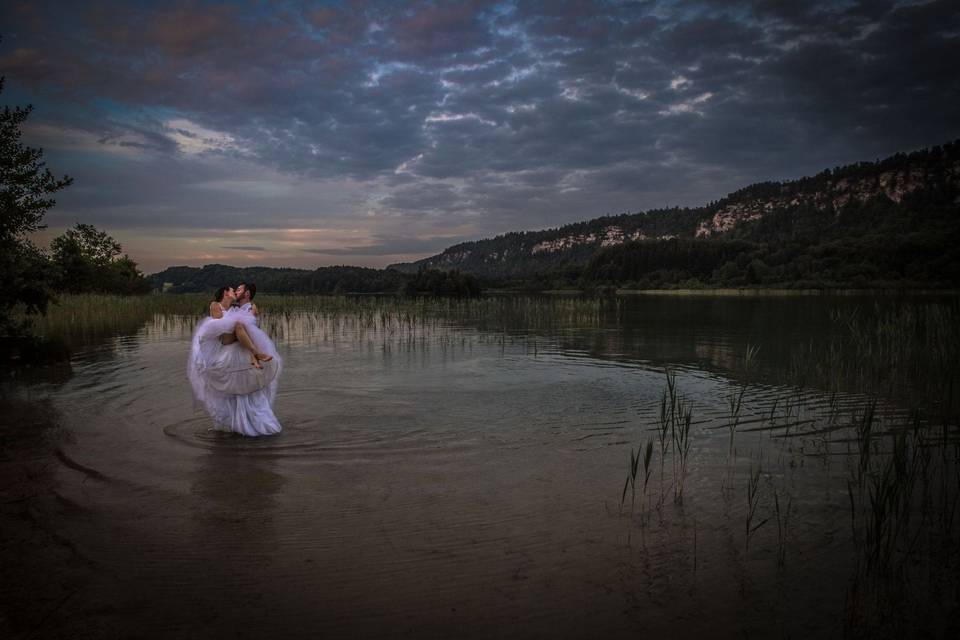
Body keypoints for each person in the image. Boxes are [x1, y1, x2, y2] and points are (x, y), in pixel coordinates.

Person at [187, 284, 282, 436]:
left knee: (245, 388)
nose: (235, 292)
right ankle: (255, 354)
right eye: (233, 290)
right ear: (225, 293)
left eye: (238, 290)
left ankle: (253, 356)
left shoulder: (240, 307)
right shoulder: (216, 305)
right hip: (225, 339)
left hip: (235, 342)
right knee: (238, 325)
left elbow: (251, 319)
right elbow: (219, 326)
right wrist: (234, 320)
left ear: (247, 293)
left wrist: (247, 313)